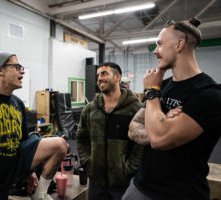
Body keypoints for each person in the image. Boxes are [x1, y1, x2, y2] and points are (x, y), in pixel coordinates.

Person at [123, 18, 221, 200]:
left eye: (159, 44)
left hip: (178, 194)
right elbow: (133, 127)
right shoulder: (164, 85)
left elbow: (159, 139)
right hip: (139, 186)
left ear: (179, 45)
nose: (155, 51)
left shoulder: (209, 94)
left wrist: (152, 92)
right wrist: (162, 120)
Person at [0, 51, 68, 200]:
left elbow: (22, 142)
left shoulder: (18, 103)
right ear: (0, 70)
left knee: (60, 144)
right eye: (17, 67)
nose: (22, 71)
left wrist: (30, 172)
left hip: (10, 175)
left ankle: (40, 195)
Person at [76, 62, 143, 200]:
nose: (99, 78)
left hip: (124, 183)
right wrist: (88, 163)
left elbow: (141, 143)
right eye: (98, 75)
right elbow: (81, 138)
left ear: (117, 77)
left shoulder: (135, 108)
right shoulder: (90, 109)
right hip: (96, 183)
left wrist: (129, 168)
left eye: (104, 73)